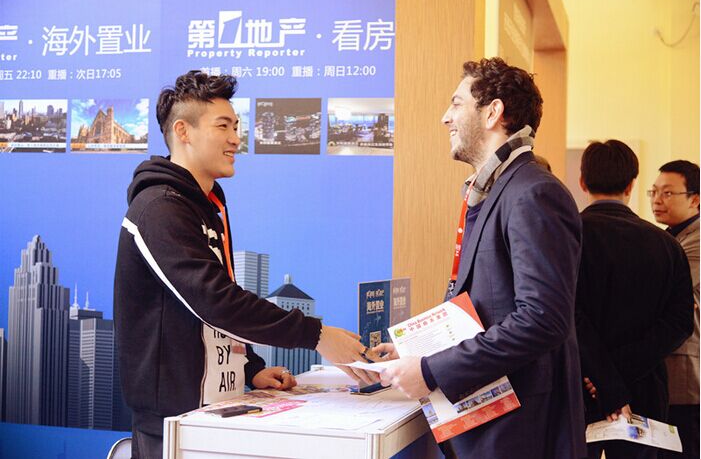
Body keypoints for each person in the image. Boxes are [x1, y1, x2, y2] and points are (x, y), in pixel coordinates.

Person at [114, 70, 370, 458]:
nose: (236, 138)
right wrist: (316, 335)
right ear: (183, 131)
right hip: (173, 420)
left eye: (236, 126)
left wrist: (251, 369)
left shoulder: (205, 206)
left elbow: (216, 303)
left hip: (216, 408)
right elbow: (214, 300)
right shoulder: (158, 208)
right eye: (223, 126)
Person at [373, 57, 586, 458]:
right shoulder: (495, 191)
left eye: (456, 104)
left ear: (493, 112)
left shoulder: (533, 192)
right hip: (491, 425)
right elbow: (487, 305)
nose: (445, 117)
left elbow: (542, 319)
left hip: (520, 430)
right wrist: (421, 354)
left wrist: (432, 370)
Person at [574, 141, 694, 459]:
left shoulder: (568, 238)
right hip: (644, 389)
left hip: (578, 387)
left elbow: (567, 315)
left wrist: (604, 378)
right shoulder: (666, 245)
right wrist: (621, 372)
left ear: (582, 182)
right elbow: (680, 322)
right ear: (631, 185)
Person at [650, 160, 699, 459]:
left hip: (687, 379)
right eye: (654, 192)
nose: (657, 200)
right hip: (665, 374)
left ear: (695, 199)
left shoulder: (696, 241)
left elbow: (661, 295)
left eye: (668, 193)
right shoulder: (670, 238)